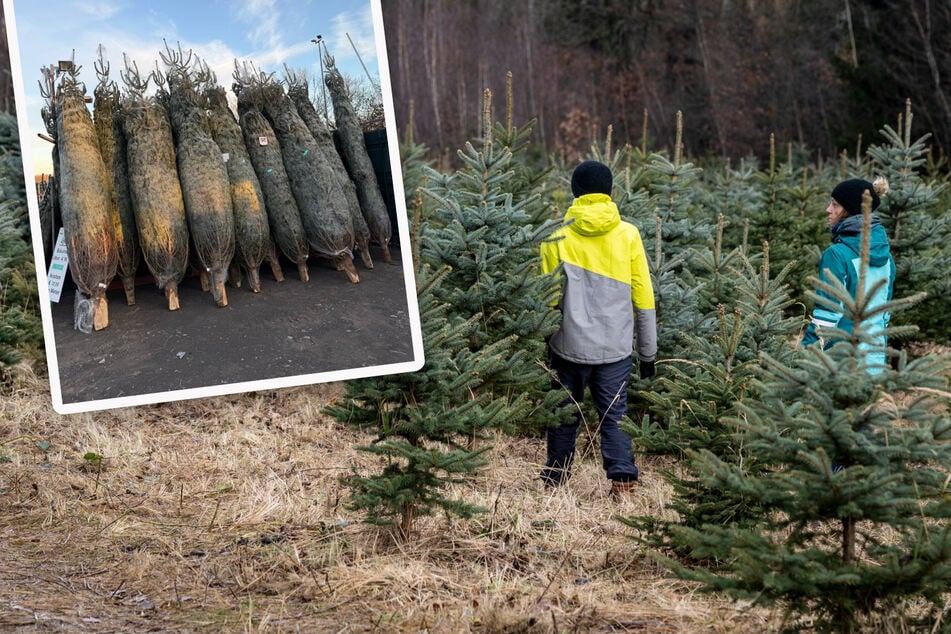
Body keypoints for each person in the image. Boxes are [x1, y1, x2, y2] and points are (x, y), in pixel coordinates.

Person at [539, 160, 657, 499]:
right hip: (615, 350)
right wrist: (647, 352)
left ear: (575, 192)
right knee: (614, 417)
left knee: (564, 414)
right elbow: (643, 297)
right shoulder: (628, 235)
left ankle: (555, 482)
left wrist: (544, 342)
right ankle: (623, 485)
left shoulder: (555, 234)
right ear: (609, 192)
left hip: (568, 347)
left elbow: (546, 297)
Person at [801, 177, 895, 373]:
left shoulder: (836, 255)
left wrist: (804, 356)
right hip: (874, 362)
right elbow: (884, 316)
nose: (828, 209)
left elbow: (827, 317)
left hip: (840, 366)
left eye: (835, 205)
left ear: (849, 210)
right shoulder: (887, 258)